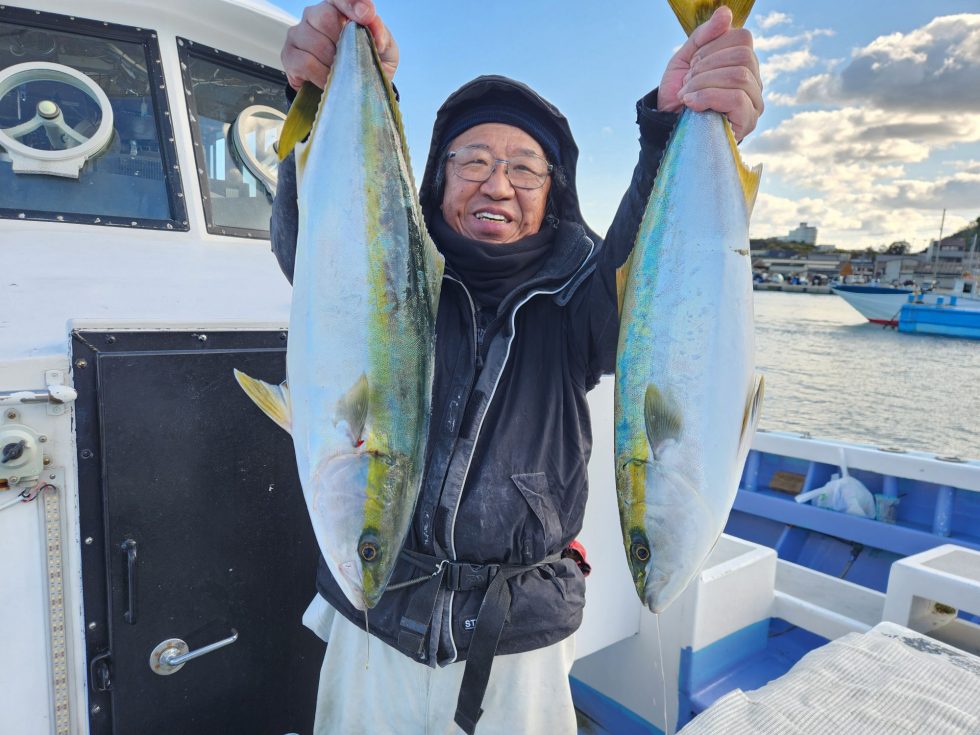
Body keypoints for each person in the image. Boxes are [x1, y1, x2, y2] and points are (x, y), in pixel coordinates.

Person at [272, 2, 763, 733]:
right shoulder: (388, 280)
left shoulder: (581, 306)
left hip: (518, 651)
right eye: (472, 161)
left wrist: (674, 124)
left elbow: (643, 277)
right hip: (375, 625)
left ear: (552, 192)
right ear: (435, 181)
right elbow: (313, 235)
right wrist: (320, 92)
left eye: (525, 167)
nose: (497, 184)